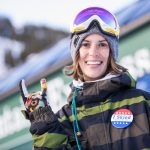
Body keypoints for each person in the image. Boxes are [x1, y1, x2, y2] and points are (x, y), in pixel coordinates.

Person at [20, 7, 150, 150]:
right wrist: (44, 125)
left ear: (111, 53)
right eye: (85, 44)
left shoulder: (143, 103)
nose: (93, 53)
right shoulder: (62, 121)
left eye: (102, 44)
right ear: (76, 53)